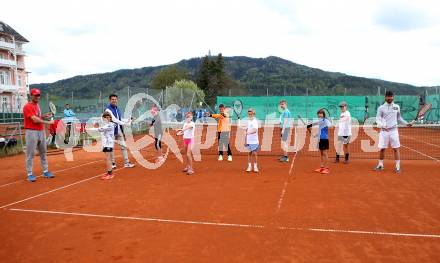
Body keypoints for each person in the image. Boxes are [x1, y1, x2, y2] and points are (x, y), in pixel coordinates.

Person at [375, 90, 412, 173]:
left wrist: (406, 124)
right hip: (384, 131)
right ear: (385, 97)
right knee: (382, 149)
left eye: (391, 96)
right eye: (388, 96)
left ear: (393, 97)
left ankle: (397, 166)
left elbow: (399, 118)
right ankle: (380, 165)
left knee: (396, 148)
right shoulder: (381, 108)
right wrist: (382, 126)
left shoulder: (397, 107)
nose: (389, 98)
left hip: (394, 131)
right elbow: (377, 119)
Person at [23, 88, 55, 182]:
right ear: (31, 96)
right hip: (31, 132)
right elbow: (34, 119)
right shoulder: (27, 106)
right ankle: (29, 174)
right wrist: (48, 122)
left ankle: (45, 171)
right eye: (35, 95)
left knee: (43, 152)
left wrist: (44, 116)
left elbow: (38, 117)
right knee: (30, 154)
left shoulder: (37, 106)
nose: (37, 97)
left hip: (41, 131)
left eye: (38, 95)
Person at [105, 94, 135, 168]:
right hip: (110, 132)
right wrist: (125, 124)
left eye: (115, 99)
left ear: (117, 100)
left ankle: (126, 162)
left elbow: (119, 119)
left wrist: (128, 120)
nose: (114, 100)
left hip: (118, 130)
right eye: (112, 99)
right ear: (110, 100)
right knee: (111, 148)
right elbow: (114, 119)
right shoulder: (108, 110)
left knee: (123, 146)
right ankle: (113, 163)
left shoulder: (117, 109)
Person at [90, 112, 116, 180]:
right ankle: (109, 172)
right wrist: (95, 124)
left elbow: (99, 129)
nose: (107, 119)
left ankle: (110, 174)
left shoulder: (110, 125)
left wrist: (89, 129)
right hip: (105, 144)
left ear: (110, 118)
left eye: (108, 117)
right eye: (105, 117)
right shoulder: (105, 125)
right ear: (103, 119)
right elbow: (99, 127)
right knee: (107, 158)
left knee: (108, 158)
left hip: (109, 144)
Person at [307, 109, 332, 174]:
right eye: (318, 115)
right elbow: (320, 129)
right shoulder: (320, 121)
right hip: (320, 139)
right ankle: (322, 167)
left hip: (324, 139)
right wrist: (310, 129)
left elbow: (331, 126)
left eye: (321, 115)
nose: (319, 116)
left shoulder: (325, 120)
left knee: (325, 153)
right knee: (321, 154)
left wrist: (327, 121)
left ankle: (327, 168)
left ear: (323, 115)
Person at [245, 108, 259, 173]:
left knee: (255, 153)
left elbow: (255, 130)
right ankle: (249, 166)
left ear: (253, 113)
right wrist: (245, 140)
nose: (250, 114)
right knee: (249, 153)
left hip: (254, 140)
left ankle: (255, 167)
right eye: (249, 113)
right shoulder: (248, 121)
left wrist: (248, 133)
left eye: (251, 113)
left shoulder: (255, 121)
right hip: (248, 140)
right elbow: (246, 130)